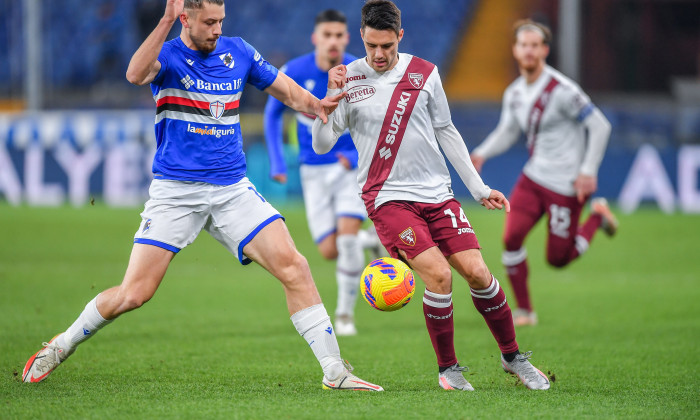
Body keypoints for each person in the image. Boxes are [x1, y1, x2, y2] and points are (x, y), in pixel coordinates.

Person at [22, 0, 382, 392]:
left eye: (220, 21)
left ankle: (334, 371)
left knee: (294, 266)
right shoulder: (169, 57)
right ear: (184, 19)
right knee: (134, 294)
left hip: (232, 190)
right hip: (176, 192)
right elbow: (134, 73)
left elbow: (288, 92)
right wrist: (162, 22)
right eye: (209, 22)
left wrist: (320, 105)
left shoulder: (238, 51)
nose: (216, 29)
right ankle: (60, 345)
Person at [312, 0, 550, 391]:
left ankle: (512, 357)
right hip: (386, 197)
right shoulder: (348, 79)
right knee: (439, 276)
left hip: (438, 195)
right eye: (372, 45)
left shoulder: (425, 73)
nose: (379, 54)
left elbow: (447, 131)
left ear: (400, 37)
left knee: (478, 273)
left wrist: (478, 187)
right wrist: (330, 94)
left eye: (387, 45)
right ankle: (449, 369)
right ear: (362, 38)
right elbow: (322, 144)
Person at [470, 19, 616, 327]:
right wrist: (481, 152)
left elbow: (600, 125)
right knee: (511, 237)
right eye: (524, 45)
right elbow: (508, 131)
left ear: (545, 50)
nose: (529, 51)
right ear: (515, 49)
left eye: (535, 45)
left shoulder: (562, 90)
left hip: (566, 185)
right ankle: (525, 311)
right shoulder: (514, 92)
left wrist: (588, 171)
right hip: (533, 178)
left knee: (558, 259)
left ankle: (598, 217)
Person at [263, 9, 385, 337]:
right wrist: (276, 161)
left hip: (349, 168)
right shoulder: (294, 71)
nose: (333, 41)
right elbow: (272, 114)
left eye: (339, 36)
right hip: (312, 171)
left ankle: (344, 316)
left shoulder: (360, 72)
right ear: (316, 38)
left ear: (348, 38)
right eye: (327, 35)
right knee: (328, 250)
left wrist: (352, 153)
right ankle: (369, 239)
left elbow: (373, 122)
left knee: (343, 241)